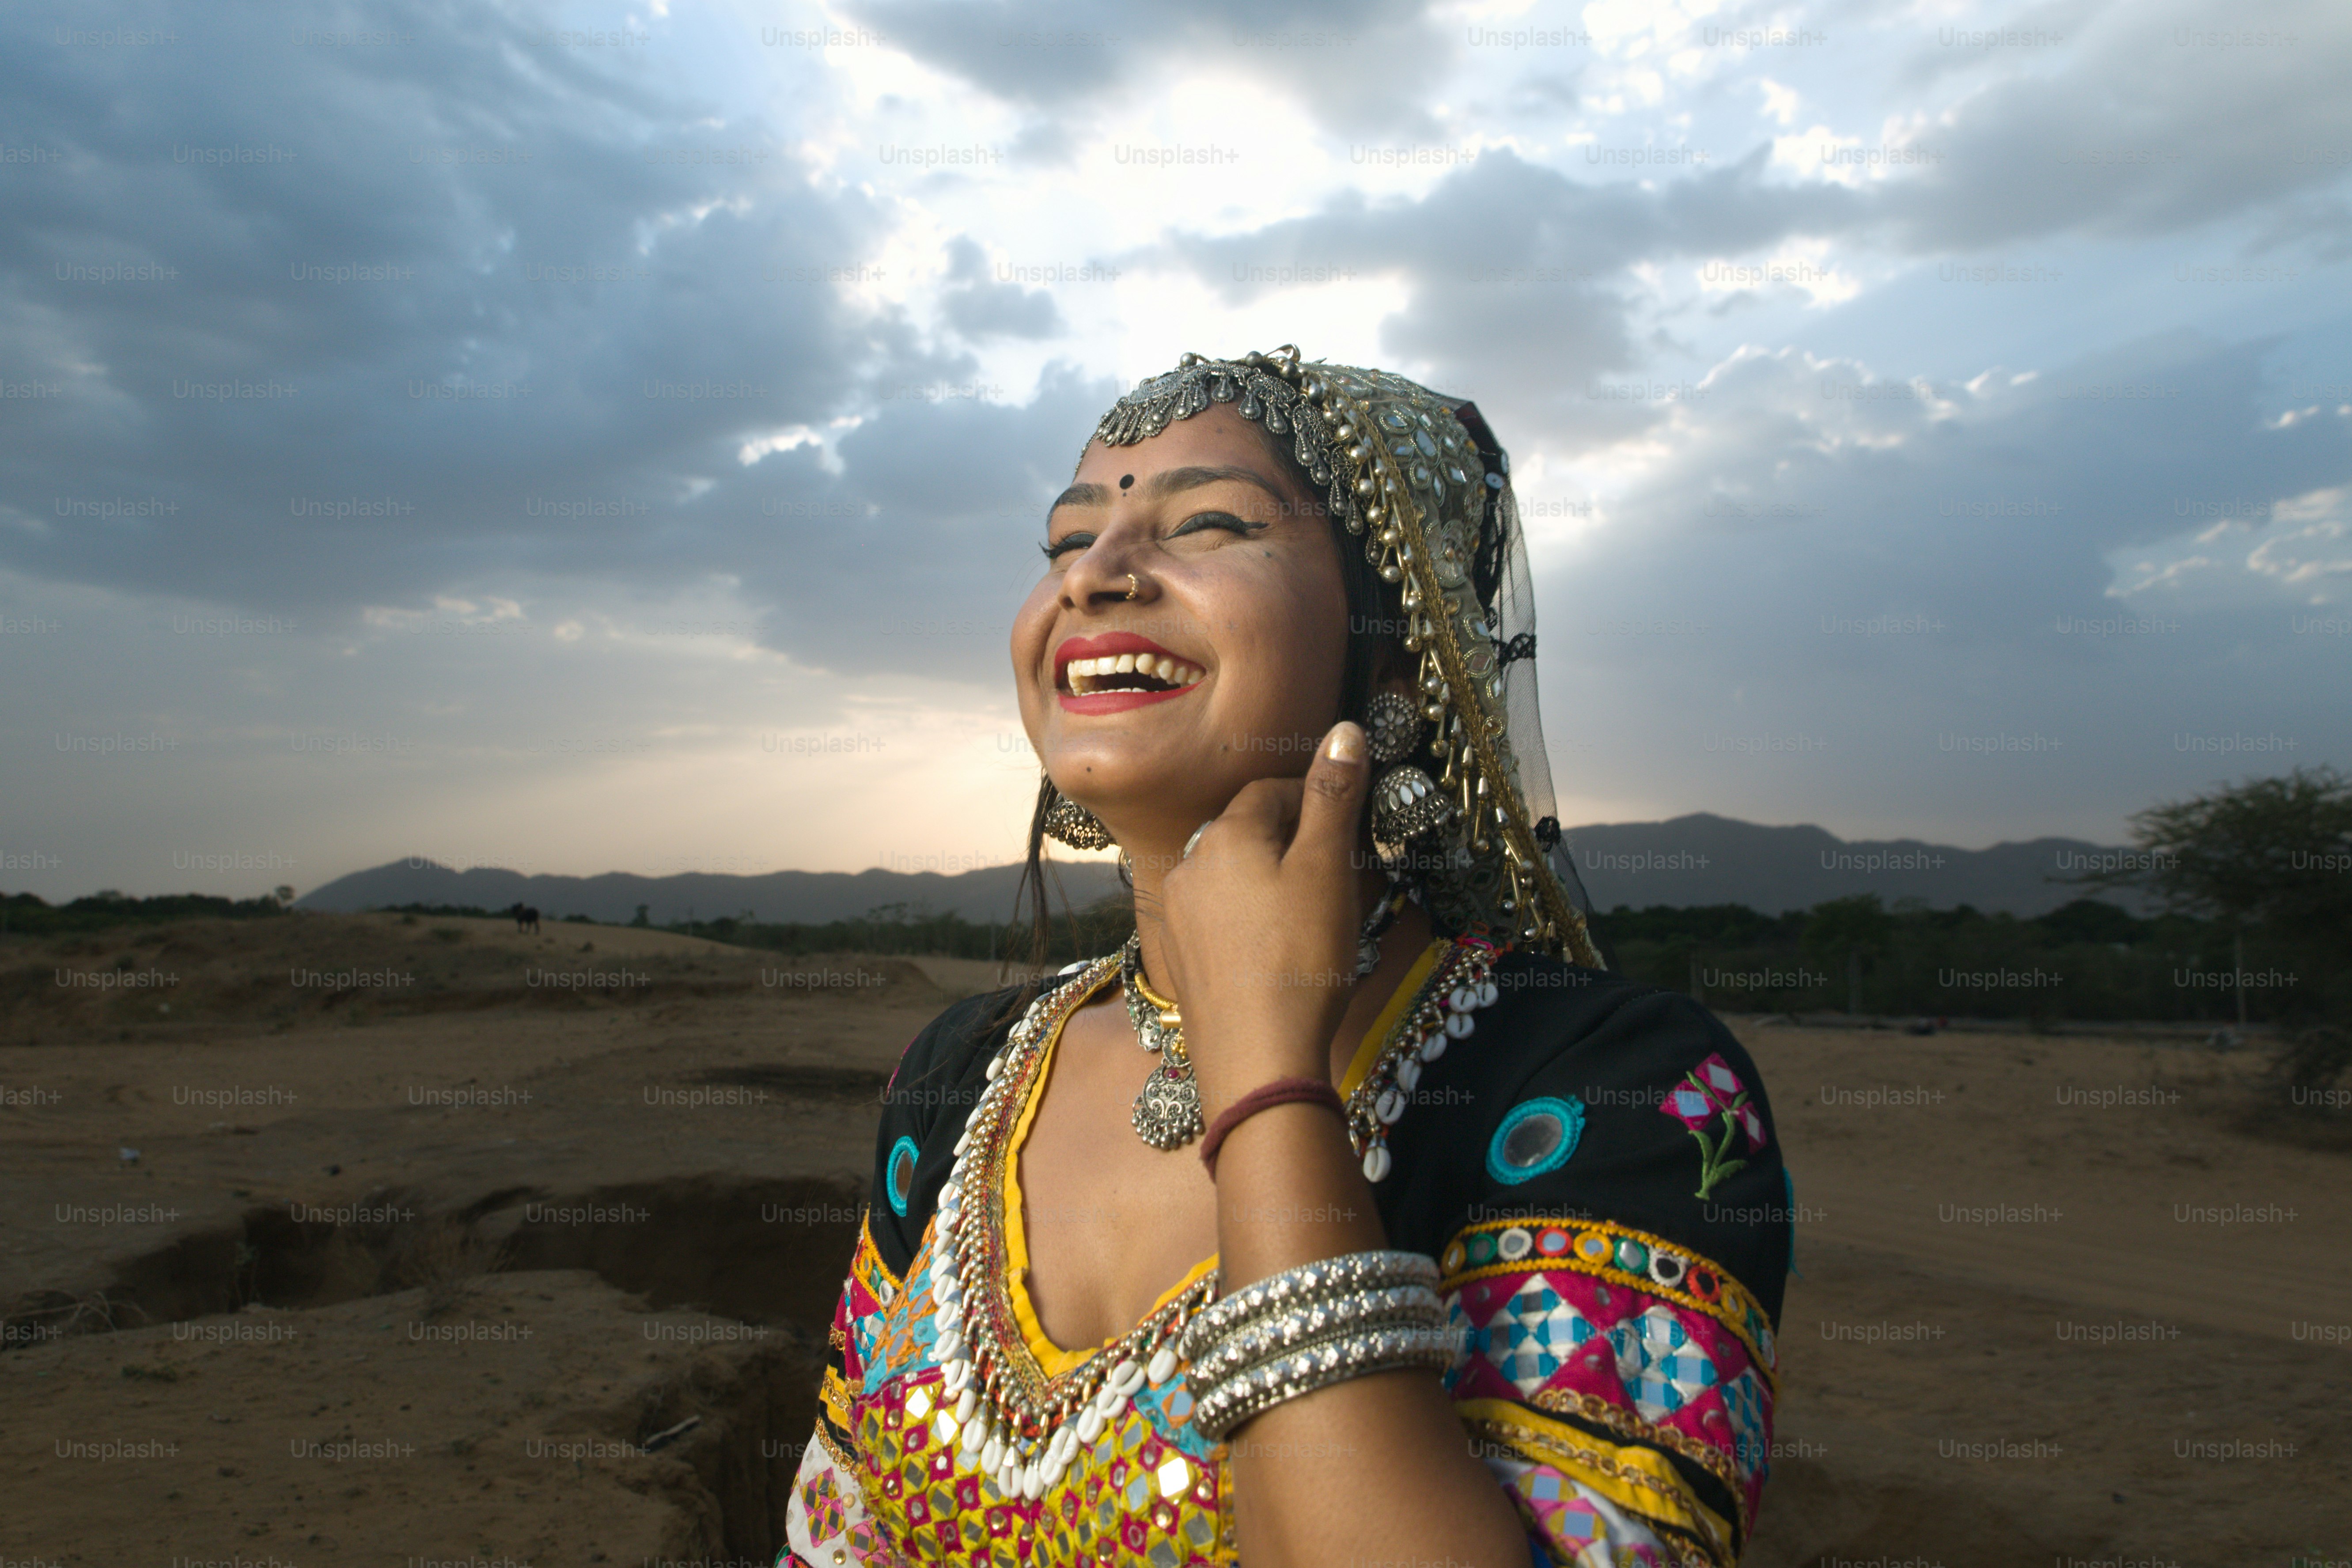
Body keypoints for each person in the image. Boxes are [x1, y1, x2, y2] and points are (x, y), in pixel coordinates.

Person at [780, 348, 1788, 1567]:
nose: (1094, 577)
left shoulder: (1617, 1090)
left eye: (1208, 524)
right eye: (1066, 541)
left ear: (1396, 656)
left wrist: (1265, 1077)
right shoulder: (958, 1076)